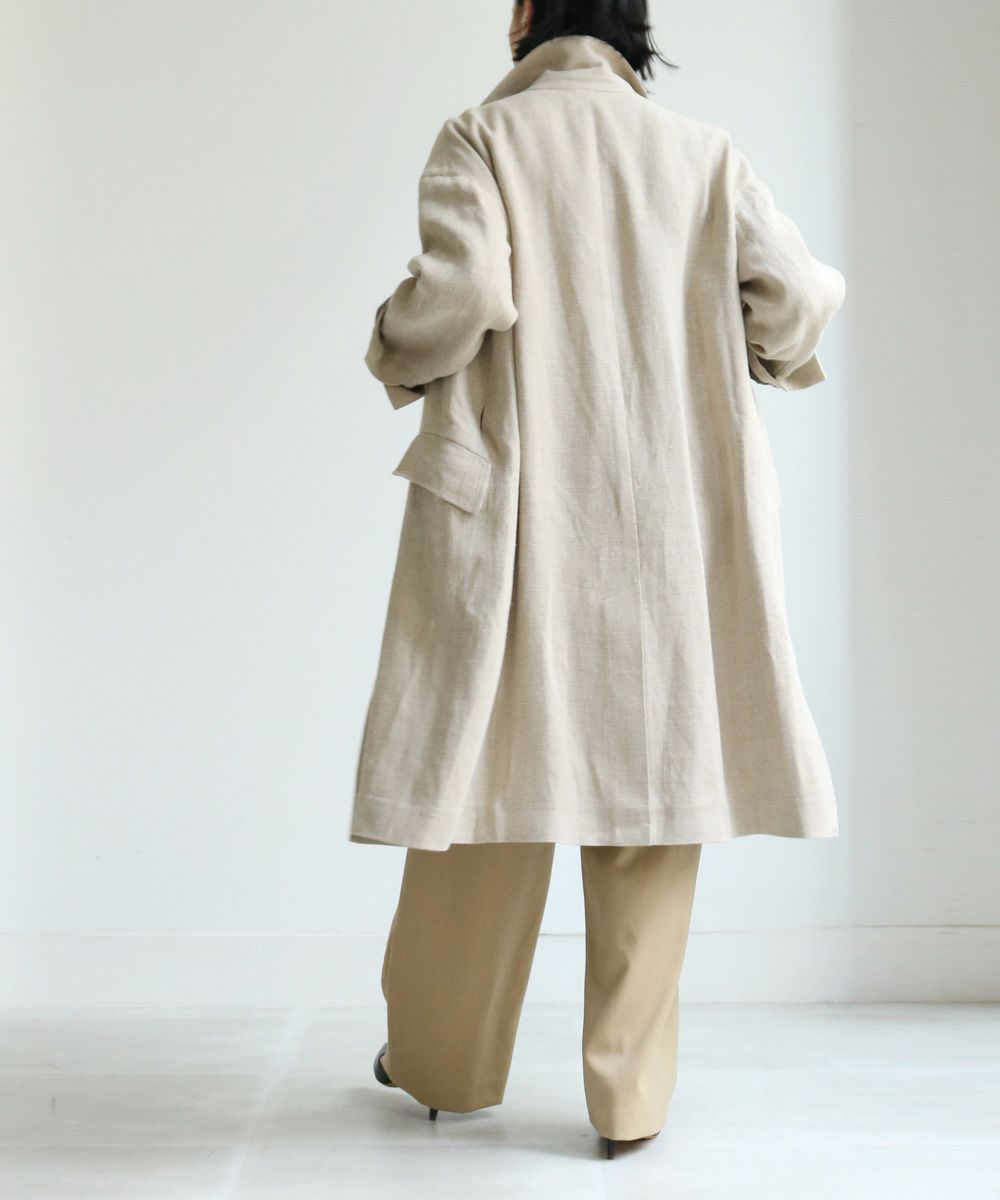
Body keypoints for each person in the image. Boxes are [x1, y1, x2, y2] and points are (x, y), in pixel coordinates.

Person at [350, 0, 845, 1160]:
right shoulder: (702, 155)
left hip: (520, 516)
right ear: (635, 30)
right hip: (671, 518)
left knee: (485, 784)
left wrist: (391, 342)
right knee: (651, 799)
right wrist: (759, 350)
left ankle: (442, 1064)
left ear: (527, 18)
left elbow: (460, 296)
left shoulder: (483, 137)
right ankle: (628, 1104)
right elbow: (798, 295)